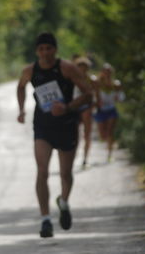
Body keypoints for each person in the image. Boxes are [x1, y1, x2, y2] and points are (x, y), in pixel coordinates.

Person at [17, 32, 92, 238]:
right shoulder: (30, 70)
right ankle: (45, 221)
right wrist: (22, 109)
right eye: (41, 49)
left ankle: (64, 202)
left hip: (66, 124)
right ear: (36, 51)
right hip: (43, 126)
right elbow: (21, 87)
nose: (45, 52)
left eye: (48, 48)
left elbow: (88, 93)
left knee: (65, 173)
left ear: (55, 50)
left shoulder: (67, 68)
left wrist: (67, 107)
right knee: (42, 171)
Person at [93, 63, 124, 162]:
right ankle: (110, 144)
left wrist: (118, 98)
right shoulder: (97, 84)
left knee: (110, 132)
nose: (107, 73)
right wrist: (96, 102)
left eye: (109, 71)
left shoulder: (116, 84)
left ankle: (109, 155)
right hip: (101, 111)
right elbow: (92, 94)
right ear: (102, 72)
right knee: (103, 135)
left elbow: (121, 96)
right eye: (105, 71)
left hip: (111, 110)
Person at [73, 56, 98, 168]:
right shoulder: (72, 78)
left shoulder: (91, 79)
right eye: (80, 68)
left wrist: (94, 105)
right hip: (75, 107)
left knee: (87, 134)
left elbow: (96, 94)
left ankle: (85, 158)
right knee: (74, 134)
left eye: (84, 68)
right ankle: (73, 157)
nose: (82, 70)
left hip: (86, 106)